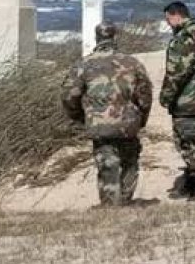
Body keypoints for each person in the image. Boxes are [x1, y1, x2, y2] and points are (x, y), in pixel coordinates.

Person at [61, 21, 154, 207]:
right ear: (114, 37)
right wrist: (141, 119)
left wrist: (80, 117)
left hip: (99, 123)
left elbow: (69, 96)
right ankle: (125, 200)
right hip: (128, 123)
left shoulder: (83, 64)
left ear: (97, 38)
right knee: (129, 161)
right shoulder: (132, 63)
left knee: (107, 165)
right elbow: (145, 96)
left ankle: (110, 204)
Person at [159, 1, 195, 200]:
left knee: (187, 141)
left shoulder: (185, 37)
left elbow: (178, 72)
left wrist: (166, 96)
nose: (168, 24)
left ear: (177, 15)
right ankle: (191, 183)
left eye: (168, 19)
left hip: (188, 99)